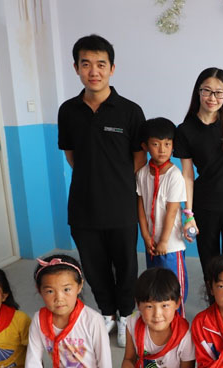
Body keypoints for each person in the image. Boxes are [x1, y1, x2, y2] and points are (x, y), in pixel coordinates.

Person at [58, 34, 145, 347]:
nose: (93, 71)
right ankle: (107, 312)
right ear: (76, 68)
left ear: (111, 68)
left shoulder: (130, 111)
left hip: (121, 205)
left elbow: (139, 158)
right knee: (94, 267)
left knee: (126, 265)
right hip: (83, 205)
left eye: (100, 64)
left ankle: (125, 315)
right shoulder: (68, 111)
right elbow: (71, 154)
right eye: (86, 64)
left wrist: (115, 182)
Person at [174, 67, 223, 276]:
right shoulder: (185, 130)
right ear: (198, 91)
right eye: (207, 91)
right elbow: (187, 175)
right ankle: (212, 297)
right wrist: (188, 214)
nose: (212, 98)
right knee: (210, 265)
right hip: (205, 206)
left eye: (219, 93)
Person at [25, 255, 113, 368]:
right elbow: (33, 364)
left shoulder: (93, 320)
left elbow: (105, 367)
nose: (59, 298)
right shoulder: (39, 320)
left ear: (79, 286)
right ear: (39, 290)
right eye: (50, 291)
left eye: (66, 289)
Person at [103, 268, 195, 368]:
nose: (157, 314)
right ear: (138, 304)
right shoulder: (133, 322)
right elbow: (129, 359)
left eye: (165, 305)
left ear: (177, 302)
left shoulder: (185, 336)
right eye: (149, 306)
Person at [136, 117, 189, 316]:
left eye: (167, 144)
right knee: (155, 284)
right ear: (145, 146)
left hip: (170, 245)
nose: (162, 150)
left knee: (174, 287)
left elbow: (172, 211)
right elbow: (140, 207)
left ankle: (178, 321)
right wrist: (146, 236)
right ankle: (161, 322)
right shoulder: (142, 174)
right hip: (151, 244)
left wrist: (164, 240)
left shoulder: (174, 175)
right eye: (156, 144)